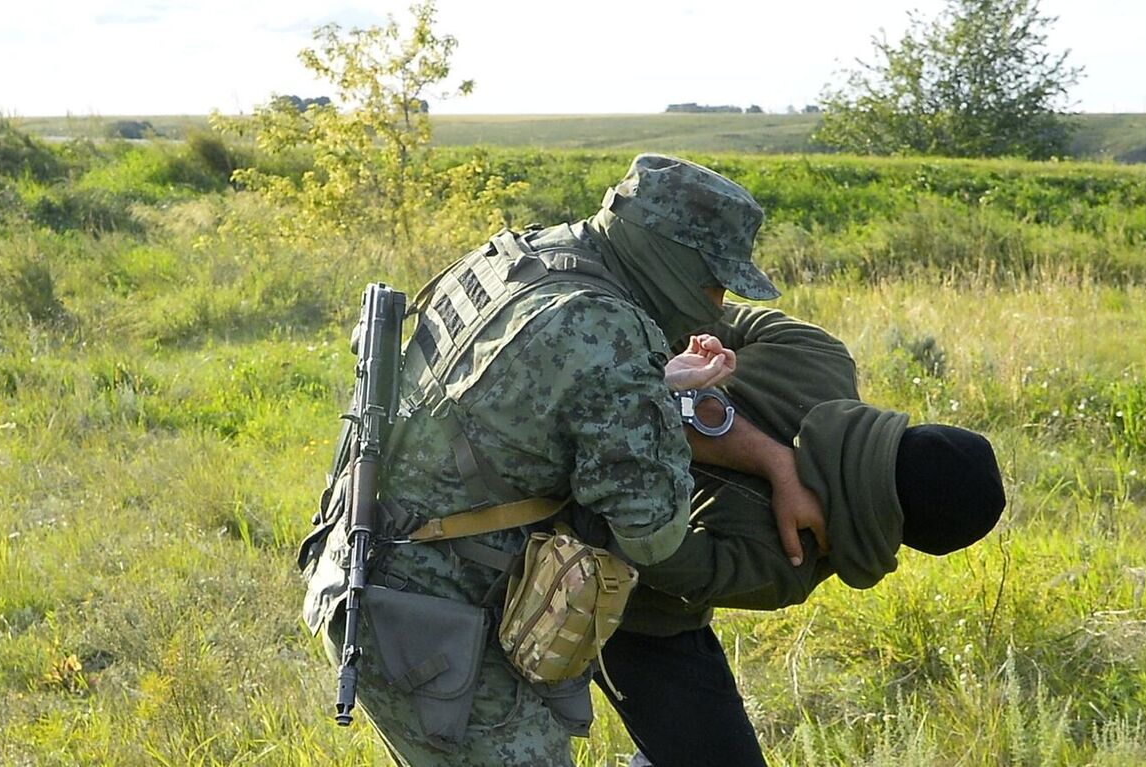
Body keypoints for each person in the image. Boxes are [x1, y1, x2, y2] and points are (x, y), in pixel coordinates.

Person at [298, 154, 817, 766]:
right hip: (422, 619)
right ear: (669, 255)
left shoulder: (530, 255)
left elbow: (533, 387)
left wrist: (655, 378)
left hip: (374, 562)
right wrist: (658, 408)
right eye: (714, 283)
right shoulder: (609, 332)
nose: (716, 305)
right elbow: (651, 533)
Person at [592, 303, 1008, 766]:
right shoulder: (790, 560)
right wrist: (767, 458)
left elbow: (685, 307)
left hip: (559, 392)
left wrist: (662, 383)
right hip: (615, 612)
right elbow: (643, 553)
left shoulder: (820, 354)